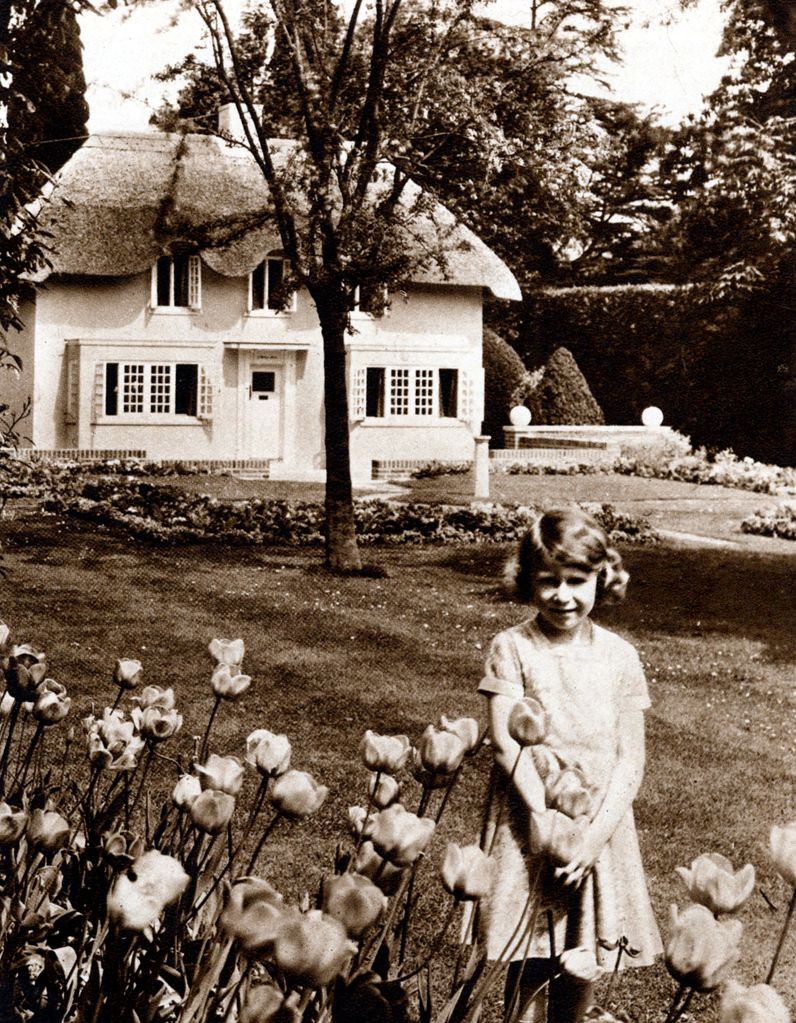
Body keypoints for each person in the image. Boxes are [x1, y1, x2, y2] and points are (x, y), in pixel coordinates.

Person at [477, 506, 661, 1023]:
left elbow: (631, 758)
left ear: (601, 579)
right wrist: (540, 814)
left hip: (597, 822)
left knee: (581, 959)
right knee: (527, 950)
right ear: (527, 582)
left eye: (576, 581)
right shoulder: (511, 647)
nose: (563, 595)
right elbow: (504, 743)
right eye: (548, 581)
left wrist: (595, 835)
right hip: (528, 816)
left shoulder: (620, 655)